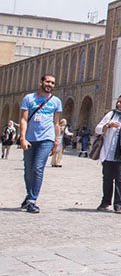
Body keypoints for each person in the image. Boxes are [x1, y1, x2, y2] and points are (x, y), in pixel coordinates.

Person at [19, 74, 62, 213]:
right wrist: (22, 138)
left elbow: (56, 123)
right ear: (41, 82)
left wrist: (56, 141)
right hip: (30, 139)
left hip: (46, 139)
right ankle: (29, 194)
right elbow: (24, 119)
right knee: (28, 170)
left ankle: (32, 200)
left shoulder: (56, 101)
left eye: (53, 83)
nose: (50, 84)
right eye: (48, 81)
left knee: (38, 168)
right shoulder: (29, 99)